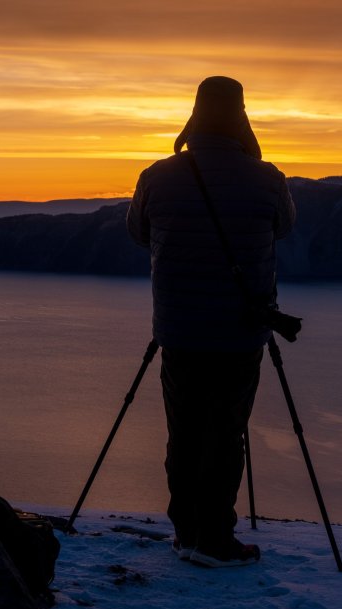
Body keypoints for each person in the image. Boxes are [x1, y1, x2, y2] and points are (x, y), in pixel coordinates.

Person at [126, 76, 296, 567]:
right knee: (225, 432)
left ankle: (187, 532)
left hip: (178, 330)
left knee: (184, 431)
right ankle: (216, 539)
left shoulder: (156, 176)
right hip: (241, 333)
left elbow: (139, 233)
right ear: (242, 115)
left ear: (194, 114)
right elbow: (283, 226)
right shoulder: (267, 178)